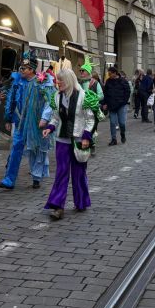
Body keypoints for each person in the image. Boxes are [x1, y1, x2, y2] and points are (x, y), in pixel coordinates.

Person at [42, 68, 94, 220]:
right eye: (57, 80)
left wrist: (86, 137)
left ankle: (81, 201)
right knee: (61, 172)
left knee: (79, 173)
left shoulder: (83, 96)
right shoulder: (57, 96)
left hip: (78, 140)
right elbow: (55, 117)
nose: (58, 82)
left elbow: (90, 119)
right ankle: (58, 206)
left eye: (61, 80)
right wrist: (50, 128)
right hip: (62, 140)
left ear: (69, 81)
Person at [0, 51, 55, 189]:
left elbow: (51, 101)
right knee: (15, 148)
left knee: (36, 149)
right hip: (20, 122)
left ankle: (36, 177)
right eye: (20, 68)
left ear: (31, 69)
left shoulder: (43, 81)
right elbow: (11, 99)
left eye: (24, 68)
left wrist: (44, 118)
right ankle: (9, 179)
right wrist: (8, 118)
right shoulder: (18, 82)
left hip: (37, 122)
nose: (21, 70)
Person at [102, 66, 130, 145]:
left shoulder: (123, 81)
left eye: (110, 73)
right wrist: (105, 103)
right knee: (112, 123)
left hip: (121, 105)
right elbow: (105, 93)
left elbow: (128, 91)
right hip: (111, 105)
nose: (109, 75)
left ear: (115, 73)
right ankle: (113, 139)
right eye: (108, 73)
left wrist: (124, 102)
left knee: (122, 123)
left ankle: (122, 134)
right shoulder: (108, 81)